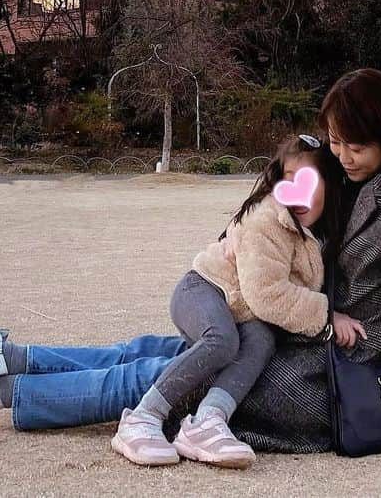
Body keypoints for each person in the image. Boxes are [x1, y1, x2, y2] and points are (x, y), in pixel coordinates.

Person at [0, 69, 381, 467]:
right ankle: (3, 355)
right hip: (290, 333)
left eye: (354, 144)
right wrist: (234, 248)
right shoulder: (346, 179)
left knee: (166, 373)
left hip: (323, 377)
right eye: (334, 141)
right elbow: (275, 217)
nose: (341, 155)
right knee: (156, 347)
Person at [110, 132, 361, 468]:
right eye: (288, 181)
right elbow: (268, 295)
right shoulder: (270, 219)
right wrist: (328, 317)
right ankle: (142, 417)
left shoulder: (319, 231)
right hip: (203, 288)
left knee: (260, 342)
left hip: (243, 310)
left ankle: (208, 421)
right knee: (222, 341)